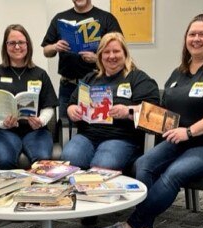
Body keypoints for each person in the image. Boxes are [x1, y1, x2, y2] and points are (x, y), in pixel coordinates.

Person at [92, 14, 203, 228]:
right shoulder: (178, 73)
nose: (197, 39)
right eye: (192, 34)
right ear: (186, 39)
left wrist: (189, 132)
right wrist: (131, 111)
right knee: (144, 163)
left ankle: (132, 225)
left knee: (173, 174)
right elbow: (161, 112)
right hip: (177, 139)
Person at [61, 32, 158, 171]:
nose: (111, 56)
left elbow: (153, 110)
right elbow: (72, 103)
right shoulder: (90, 78)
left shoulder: (137, 78)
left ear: (125, 53)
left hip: (121, 138)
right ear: (100, 56)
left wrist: (128, 111)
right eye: (106, 52)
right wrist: (72, 111)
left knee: (103, 166)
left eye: (116, 51)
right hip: (87, 136)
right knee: (69, 159)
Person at [0, 24, 58, 171]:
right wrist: (3, 123)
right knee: (5, 160)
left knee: (41, 161)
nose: (17, 47)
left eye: (21, 42)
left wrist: (40, 121)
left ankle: (36, 194)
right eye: (12, 43)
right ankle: (9, 194)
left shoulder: (40, 74)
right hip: (4, 131)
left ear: (27, 44)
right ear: (5, 46)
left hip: (36, 131)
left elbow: (49, 107)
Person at [42, 0, 122, 106]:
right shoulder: (60, 19)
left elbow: (122, 54)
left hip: (98, 84)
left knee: (96, 125)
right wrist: (55, 47)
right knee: (67, 125)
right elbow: (46, 51)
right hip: (68, 86)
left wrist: (97, 59)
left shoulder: (106, 19)